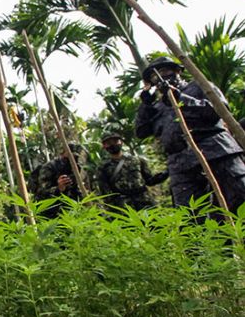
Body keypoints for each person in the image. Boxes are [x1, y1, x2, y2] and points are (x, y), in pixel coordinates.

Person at [135, 56, 245, 214]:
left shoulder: (199, 87)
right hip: (182, 166)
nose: (160, 76)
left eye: (165, 70)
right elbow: (141, 131)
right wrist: (145, 105)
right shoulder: (157, 107)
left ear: (178, 71)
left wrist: (180, 98)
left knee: (239, 202)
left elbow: (219, 111)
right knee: (191, 218)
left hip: (217, 154)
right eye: (154, 75)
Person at [96, 130, 168, 210]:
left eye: (115, 141)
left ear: (121, 142)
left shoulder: (137, 160)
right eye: (108, 143)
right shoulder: (103, 167)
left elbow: (150, 180)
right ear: (104, 146)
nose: (112, 144)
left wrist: (166, 173)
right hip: (124, 207)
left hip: (145, 202)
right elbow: (106, 193)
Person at [34, 143, 89, 218]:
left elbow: (75, 189)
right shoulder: (50, 167)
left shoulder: (75, 168)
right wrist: (59, 188)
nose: (73, 159)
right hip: (51, 212)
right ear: (63, 153)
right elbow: (41, 191)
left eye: (76, 157)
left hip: (70, 211)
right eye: (71, 155)